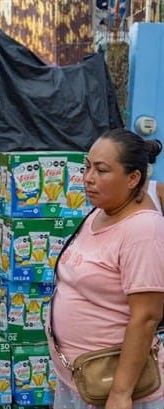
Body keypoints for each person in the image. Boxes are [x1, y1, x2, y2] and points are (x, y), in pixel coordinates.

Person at [47, 128, 164, 409]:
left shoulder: (143, 230)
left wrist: (121, 393)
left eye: (101, 170)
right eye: (87, 167)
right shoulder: (99, 213)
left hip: (112, 386)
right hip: (81, 380)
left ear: (133, 178)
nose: (88, 178)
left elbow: (146, 317)